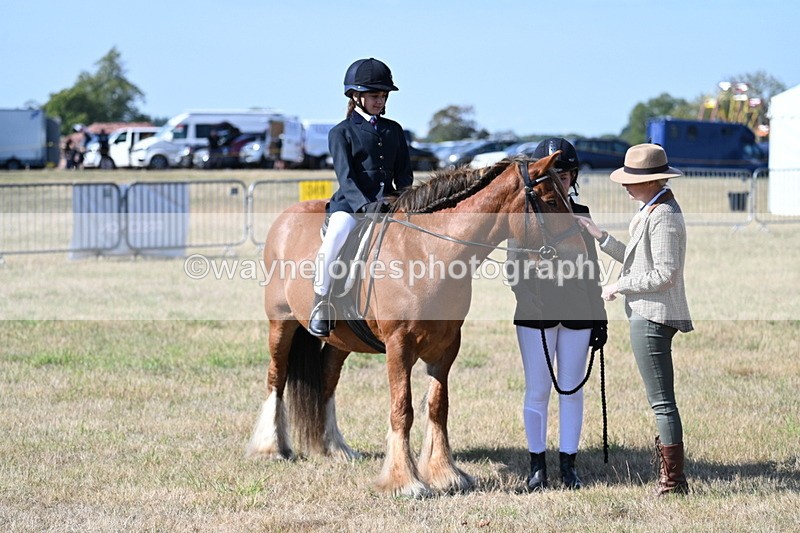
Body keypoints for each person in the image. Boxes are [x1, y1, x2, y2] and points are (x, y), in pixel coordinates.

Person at [577, 143, 693, 496]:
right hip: (645, 312)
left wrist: (617, 286)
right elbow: (636, 258)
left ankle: (672, 482)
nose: (625, 186)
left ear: (652, 181)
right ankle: (673, 477)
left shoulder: (664, 216)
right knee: (660, 399)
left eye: (631, 180)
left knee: (661, 402)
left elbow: (664, 274)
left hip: (653, 316)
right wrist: (601, 237)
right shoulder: (652, 208)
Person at [509, 138, 607, 491]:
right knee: (538, 389)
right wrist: (530, 294)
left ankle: (569, 465)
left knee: (571, 389)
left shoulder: (581, 214)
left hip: (578, 309)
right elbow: (512, 270)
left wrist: (599, 316)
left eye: (565, 176)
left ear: (574, 176)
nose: (560, 182)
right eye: (553, 176)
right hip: (536, 312)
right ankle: (538, 466)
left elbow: (592, 269)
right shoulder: (525, 213)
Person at [308, 58, 413, 338]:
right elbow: (347, 177)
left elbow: (404, 174)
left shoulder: (394, 130)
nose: (380, 101)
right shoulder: (341, 132)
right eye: (374, 95)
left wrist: (403, 199)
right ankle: (321, 302)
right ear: (356, 96)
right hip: (352, 206)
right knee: (335, 238)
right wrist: (365, 205)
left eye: (383, 95)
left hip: (389, 204)